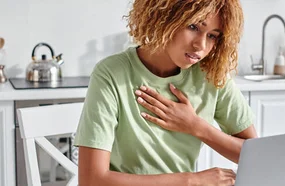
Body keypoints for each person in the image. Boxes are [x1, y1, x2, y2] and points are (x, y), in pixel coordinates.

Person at [74, 0, 257, 185]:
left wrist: (196, 126)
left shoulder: (211, 76)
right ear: (164, 17)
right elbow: (91, 180)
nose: (200, 45)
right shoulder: (112, 73)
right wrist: (191, 180)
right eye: (193, 26)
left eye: (212, 36)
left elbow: (256, 155)